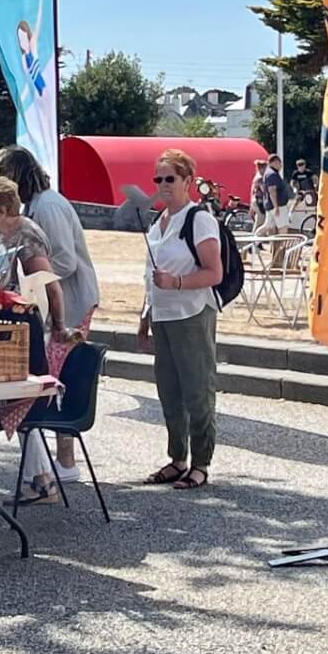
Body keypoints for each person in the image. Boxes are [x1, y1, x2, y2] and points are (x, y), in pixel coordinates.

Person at [0, 144, 100, 485]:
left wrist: (28, 283)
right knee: (52, 376)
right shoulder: (39, 204)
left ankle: (64, 460)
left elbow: (64, 260)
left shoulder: (48, 207)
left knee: (52, 378)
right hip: (60, 303)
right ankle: (61, 459)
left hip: (70, 303)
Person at [0, 174, 71, 503]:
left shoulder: (25, 235)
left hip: (22, 326)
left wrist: (59, 325)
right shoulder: (4, 234)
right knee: (12, 402)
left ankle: (42, 481)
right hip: (8, 324)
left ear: (1, 210)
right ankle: (39, 480)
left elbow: (50, 284)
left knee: (20, 401)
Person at [139, 147, 222, 492]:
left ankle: (201, 463)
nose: (162, 184)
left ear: (188, 181)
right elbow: (150, 274)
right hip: (164, 316)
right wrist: (144, 316)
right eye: (158, 178)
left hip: (191, 314)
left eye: (170, 178)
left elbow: (214, 272)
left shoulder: (198, 219)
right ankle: (178, 458)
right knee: (169, 391)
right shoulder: (158, 222)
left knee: (197, 390)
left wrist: (177, 283)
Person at [261, 155, 293, 232]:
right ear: (275, 162)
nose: (281, 165)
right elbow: (272, 191)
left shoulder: (269, 173)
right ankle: (283, 244)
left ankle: (255, 240)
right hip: (278, 206)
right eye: (279, 163)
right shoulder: (272, 174)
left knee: (267, 226)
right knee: (283, 227)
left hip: (271, 205)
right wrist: (276, 207)